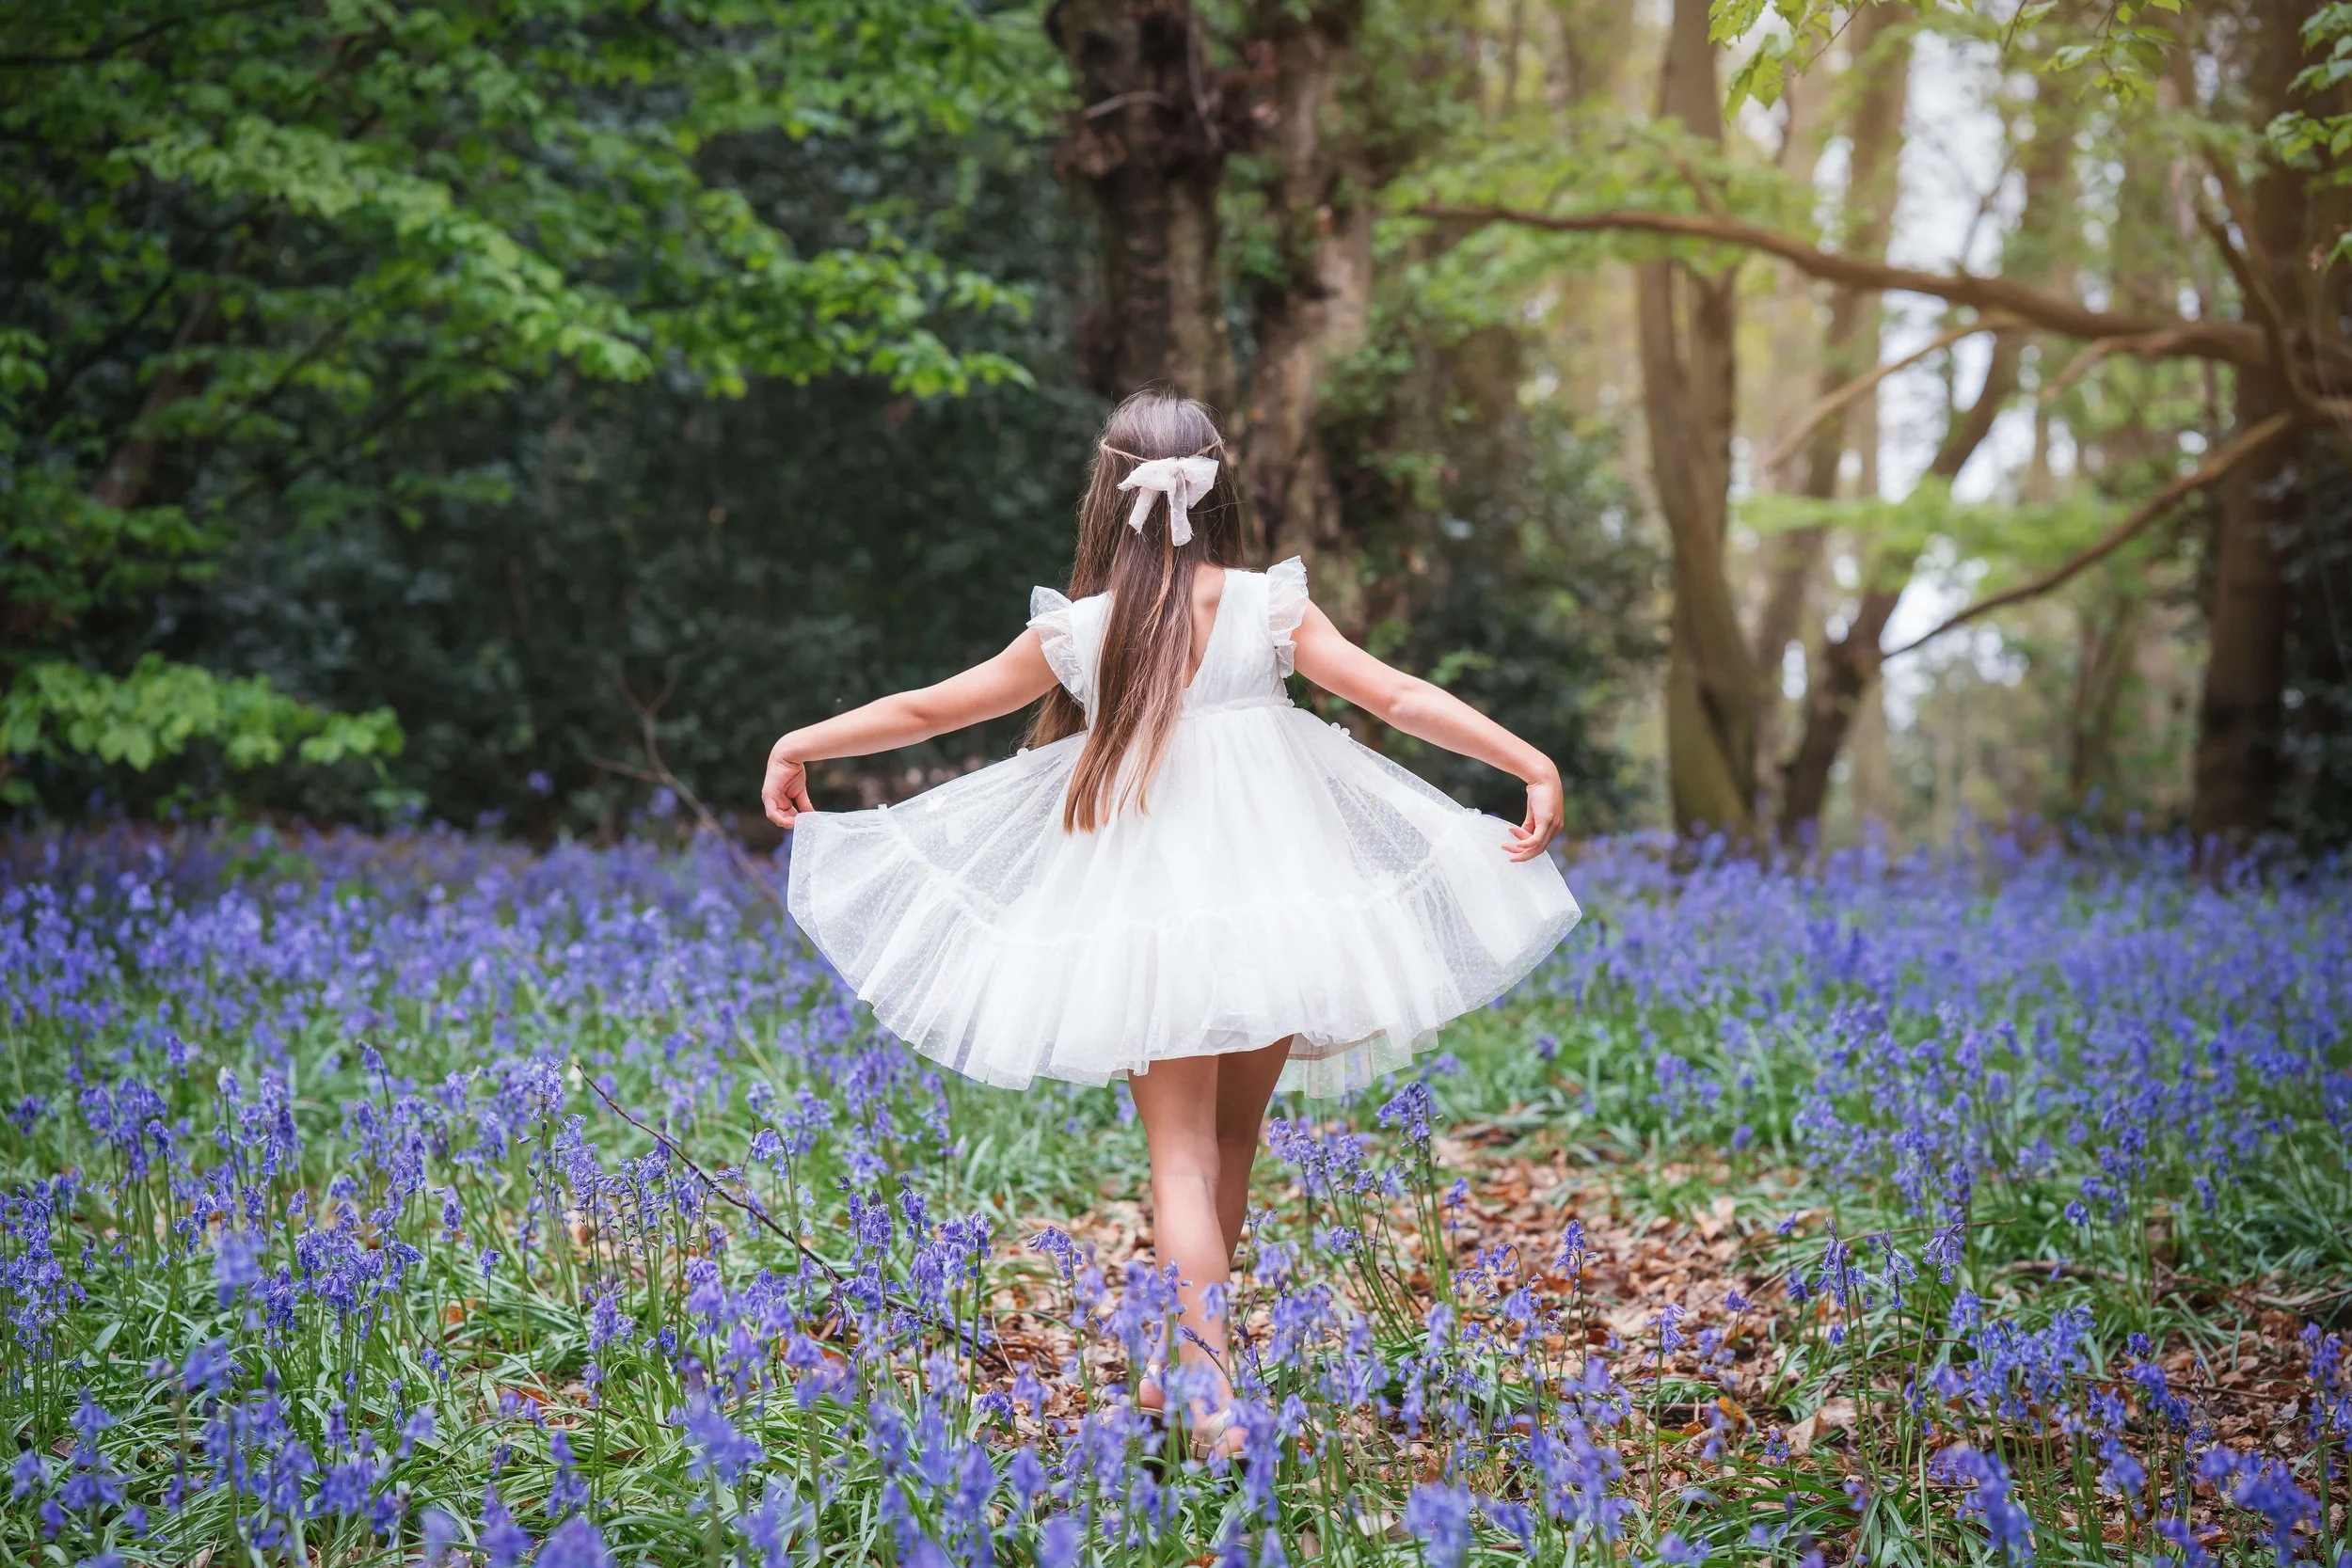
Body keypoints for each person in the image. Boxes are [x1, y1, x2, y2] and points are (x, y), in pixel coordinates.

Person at [761, 389, 1580, 1456]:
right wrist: (1525, 756)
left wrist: (801, 739)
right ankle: (1182, 1365)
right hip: (1285, 904)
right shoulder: (1265, 607)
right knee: (1233, 1140)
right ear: (1220, 486)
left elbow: (932, 708)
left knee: (1181, 1159)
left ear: (1105, 497)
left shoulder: (1081, 631)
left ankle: (1206, 1390)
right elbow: (1393, 696)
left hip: (1151, 919)